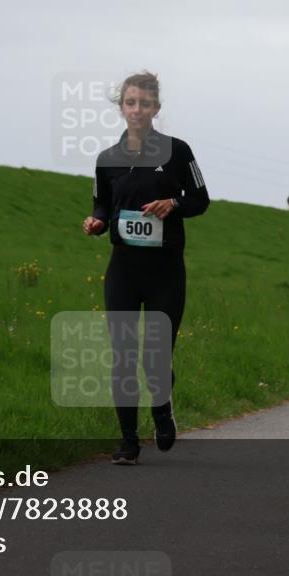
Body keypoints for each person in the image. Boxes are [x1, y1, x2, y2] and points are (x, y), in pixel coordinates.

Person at [82, 71, 210, 465]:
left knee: (155, 359)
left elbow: (201, 200)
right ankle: (127, 443)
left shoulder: (178, 151)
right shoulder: (107, 159)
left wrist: (174, 203)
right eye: (130, 102)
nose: (137, 110)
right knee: (122, 356)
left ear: (156, 107)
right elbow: (103, 203)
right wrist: (97, 221)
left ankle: (161, 407)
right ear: (121, 106)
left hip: (165, 271)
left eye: (145, 103)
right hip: (123, 269)